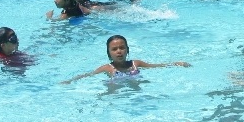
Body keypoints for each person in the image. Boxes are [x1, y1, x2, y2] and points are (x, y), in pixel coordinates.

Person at [62, 35, 190, 83]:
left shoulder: (135, 63)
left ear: (127, 50)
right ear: (109, 53)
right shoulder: (107, 68)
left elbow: (155, 66)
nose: (119, 51)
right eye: (114, 49)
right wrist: (70, 81)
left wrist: (176, 63)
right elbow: (88, 75)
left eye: (122, 48)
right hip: (116, 94)